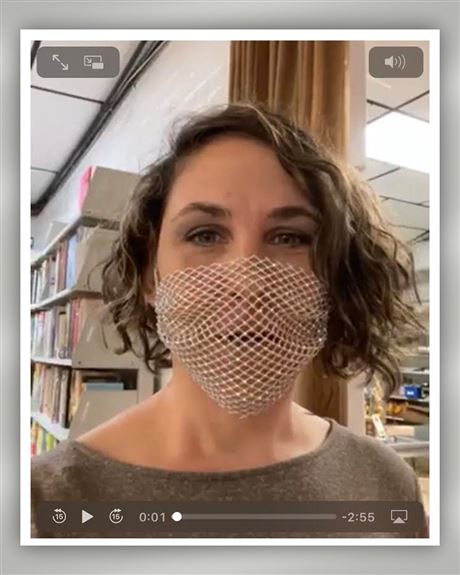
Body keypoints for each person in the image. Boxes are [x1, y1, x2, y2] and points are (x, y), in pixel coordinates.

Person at [31, 103, 428, 538]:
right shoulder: (44, 502)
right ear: (149, 275)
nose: (247, 282)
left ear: (333, 279)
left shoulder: (386, 483)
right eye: (204, 235)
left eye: (290, 237)